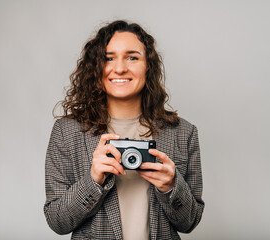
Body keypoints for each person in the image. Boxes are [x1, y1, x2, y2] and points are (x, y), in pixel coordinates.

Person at [44, 20, 204, 240]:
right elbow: (56, 221)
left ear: (148, 66)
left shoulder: (182, 133)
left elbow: (190, 222)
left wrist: (171, 186)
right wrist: (93, 180)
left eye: (132, 57)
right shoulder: (67, 132)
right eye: (109, 58)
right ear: (96, 67)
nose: (119, 68)